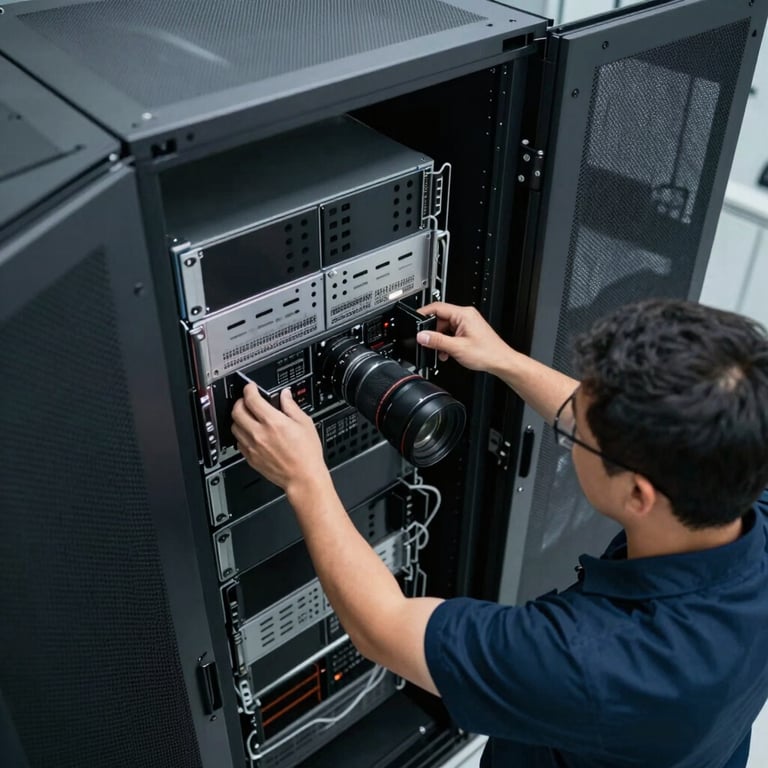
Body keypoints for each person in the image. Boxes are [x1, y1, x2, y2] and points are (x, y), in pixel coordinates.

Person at [231, 298, 768, 768]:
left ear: (638, 495)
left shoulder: (602, 662)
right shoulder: (741, 475)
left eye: (581, 436)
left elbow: (383, 626)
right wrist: (503, 359)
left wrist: (304, 478)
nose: (571, 431)